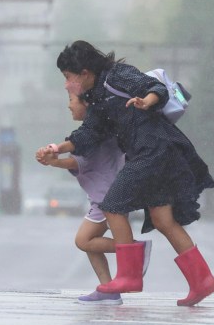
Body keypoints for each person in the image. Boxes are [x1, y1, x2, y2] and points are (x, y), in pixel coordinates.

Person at [36, 41, 214, 306]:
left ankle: (129, 275)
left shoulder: (117, 76)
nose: (67, 85)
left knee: (113, 204)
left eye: (68, 77)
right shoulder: (97, 99)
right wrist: (57, 148)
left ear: (84, 72)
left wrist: (147, 101)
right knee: (163, 219)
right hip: (148, 153)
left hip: (155, 148)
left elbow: (155, 87)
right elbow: (88, 135)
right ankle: (202, 281)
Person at [37, 91, 149, 305]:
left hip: (108, 198)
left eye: (71, 100)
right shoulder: (99, 130)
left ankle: (133, 249)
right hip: (107, 195)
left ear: (86, 104)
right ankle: (108, 288)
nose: (69, 106)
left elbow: (77, 162)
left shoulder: (93, 133)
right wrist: (54, 160)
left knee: (84, 240)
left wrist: (54, 159)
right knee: (87, 243)